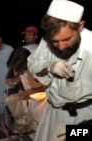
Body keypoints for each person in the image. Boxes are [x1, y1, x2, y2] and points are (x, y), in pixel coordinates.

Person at [27, 0, 92, 140]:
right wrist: (49, 68)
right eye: (55, 41)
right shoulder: (45, 42)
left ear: (80, 26)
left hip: (83, 118)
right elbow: (33, 65)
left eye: (67, 39)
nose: (61, 47)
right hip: (53, 115)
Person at [6, 48, 47, 140]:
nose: (18, 71)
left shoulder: (38, 69)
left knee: (43, 128)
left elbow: (47, 87)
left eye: (19, 69)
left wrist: (29, 92)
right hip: (32, 101)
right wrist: (15, 80)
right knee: (33, 126)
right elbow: (23, 75)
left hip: (43, 103)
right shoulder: (23, 67)